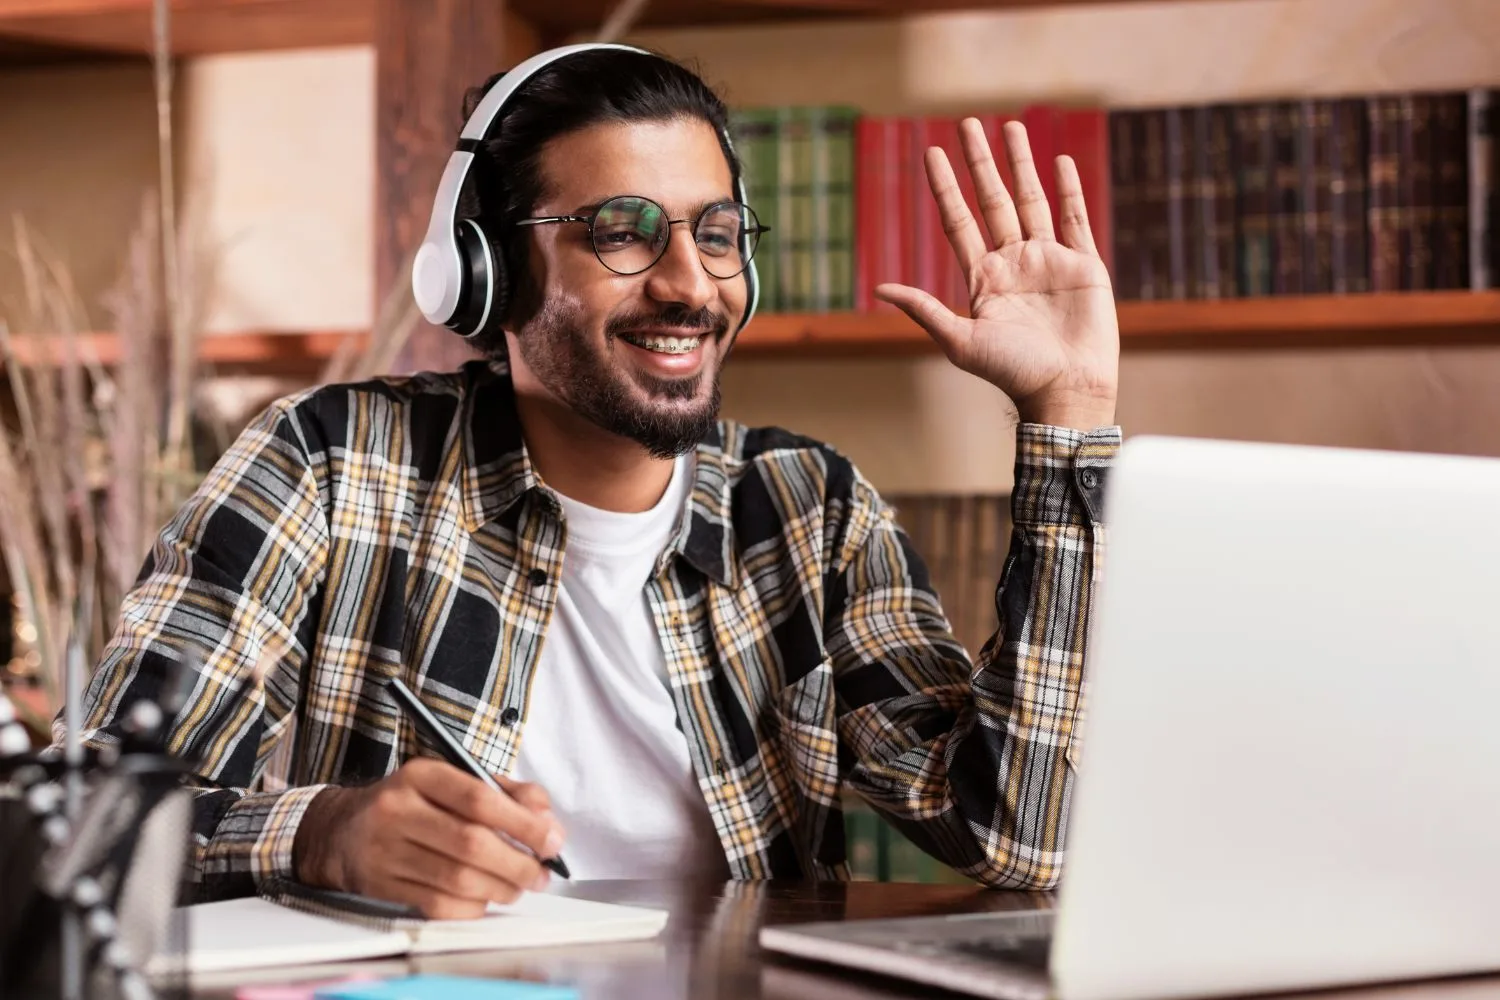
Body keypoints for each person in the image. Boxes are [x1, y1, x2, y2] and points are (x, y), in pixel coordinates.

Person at [71, 46, 1121, 917]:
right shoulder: (332, 462)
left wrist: (1066, 414)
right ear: (484, 267)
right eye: (622, 232)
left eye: (715, 235)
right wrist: (325, 833)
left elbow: (1018, 839)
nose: (688, 284)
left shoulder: (810, 510)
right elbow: (93, 819)